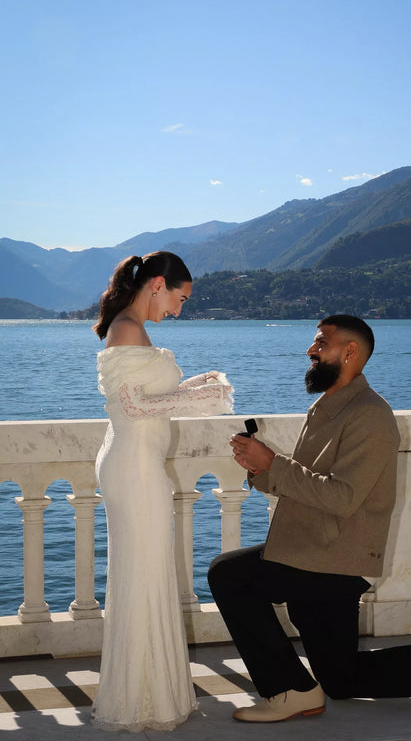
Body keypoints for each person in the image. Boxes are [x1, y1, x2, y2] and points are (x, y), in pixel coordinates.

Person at [208, 314, 411, 723]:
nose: (310, 350)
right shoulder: (327, 407)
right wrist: (261, 469)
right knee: (341, 681)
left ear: (350, 352)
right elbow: (308, 481)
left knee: (229, 574)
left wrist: (273, 462)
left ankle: (289, 690)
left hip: (332, 557)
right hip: (311, 547)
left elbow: (343, 496)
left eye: (320, 343)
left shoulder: (370, 416)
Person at [91, 251, 233, 732]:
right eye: (180, 298)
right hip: (133, 468)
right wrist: (200, 399)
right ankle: (139, 700)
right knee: (144, 575)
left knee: (146, 573)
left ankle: (149, 692)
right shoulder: (128, 328)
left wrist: (195, 384)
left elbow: (144, 397)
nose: (179, 310)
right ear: (157, 284)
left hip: (136, 463)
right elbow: (133, 406)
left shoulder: (133, 326)